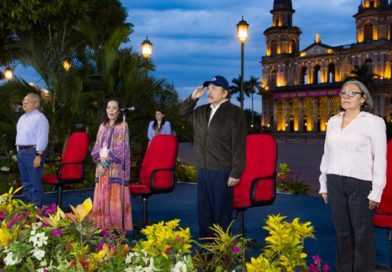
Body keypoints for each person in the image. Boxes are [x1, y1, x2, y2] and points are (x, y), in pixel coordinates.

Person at [319, 79, 387, 272]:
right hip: (334, 181)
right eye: (343, 93)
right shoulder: (332, 122)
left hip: (360, 184)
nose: (346, 97)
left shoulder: (374, 123)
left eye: (352, 93)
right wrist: (324, 184)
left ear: (363, 98)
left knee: (362, 233)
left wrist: (376, 192)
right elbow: (327, 154)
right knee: (342, 233)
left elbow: (380, 158)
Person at [179, 75, 247, 238]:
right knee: (204, 213)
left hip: (222, 171)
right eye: (209, 88)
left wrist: (236, 172)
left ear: (225, 93)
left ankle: (222, 254)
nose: (210, 92)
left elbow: (239, 145)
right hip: (203, 169)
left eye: (214, 88)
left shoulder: (235, 113)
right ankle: (206, 251)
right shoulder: (201, 111)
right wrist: (192, 99)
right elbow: (182, 114)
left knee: (221, 214)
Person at [91, 98, 133, 230]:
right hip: (102, 167)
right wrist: (99, 161)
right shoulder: (102, 126)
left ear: (119, 111)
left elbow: (122, 149)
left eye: (114, 108)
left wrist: (105, 162)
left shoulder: (123, 126)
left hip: (115, 167)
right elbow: (97, 145)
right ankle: (102, 224)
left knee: (114, 197)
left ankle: (115, 226)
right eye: (109, 107)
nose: (111, 110)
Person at [16, 93, 49, 207]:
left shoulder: (40, 118)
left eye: (28, 101)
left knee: (35, 183)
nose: (24, 103)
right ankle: (27, 210)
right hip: (22, 152)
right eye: (24, 100)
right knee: (26, 183)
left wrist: (38, 155)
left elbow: (42, 137)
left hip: (33, 153)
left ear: (36, 104)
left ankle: (36, 211)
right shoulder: (22, 118)